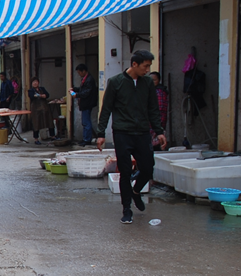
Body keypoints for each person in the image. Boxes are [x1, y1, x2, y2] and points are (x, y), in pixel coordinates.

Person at [96, 50, 167, 224]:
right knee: (125, 171)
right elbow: (106, 109)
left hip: (142, 132)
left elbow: (153, 109)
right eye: (145, 66)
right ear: (134, 64)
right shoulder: (116, 82)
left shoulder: (148, 83)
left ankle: (136, 193)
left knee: (148, 168)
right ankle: (126, 209)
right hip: (122, 132)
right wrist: (100, 134)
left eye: (149, 66)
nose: (147, 70)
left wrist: (159, 131)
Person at [70, 64, 97, 145]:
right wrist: (74, 89)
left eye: (79, 72)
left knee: (86, 122)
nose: (79, 74)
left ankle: (87, 139)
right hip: (86, 103)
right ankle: (86, 138)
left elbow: (86, 92)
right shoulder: (86, 79)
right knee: (85, 122)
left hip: (87, 103)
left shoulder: (89, 80)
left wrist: (77, 95)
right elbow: (83, 89)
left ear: (84, 71)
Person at [27, 78, 52, 144]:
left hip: (44, 108)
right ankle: (36, 139)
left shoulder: (42, 89)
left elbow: (47, 95)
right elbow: (32, 96)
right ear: (32, 84)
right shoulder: (30, 90)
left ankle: (53, 136)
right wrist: (40, 96)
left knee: (49, 121)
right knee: (36, 123)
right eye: (33, 82)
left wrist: (44, 95)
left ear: (38, 82)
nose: (35, 83)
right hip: (36, 109)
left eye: (36, 82)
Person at [150, 71, 169, 147]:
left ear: (158, 80)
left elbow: (160, 110)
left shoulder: (159, 92)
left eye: (154, 80)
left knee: (155, 145)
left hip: (156, 123)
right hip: (152, 123)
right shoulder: (151, 90)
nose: (152, 82)